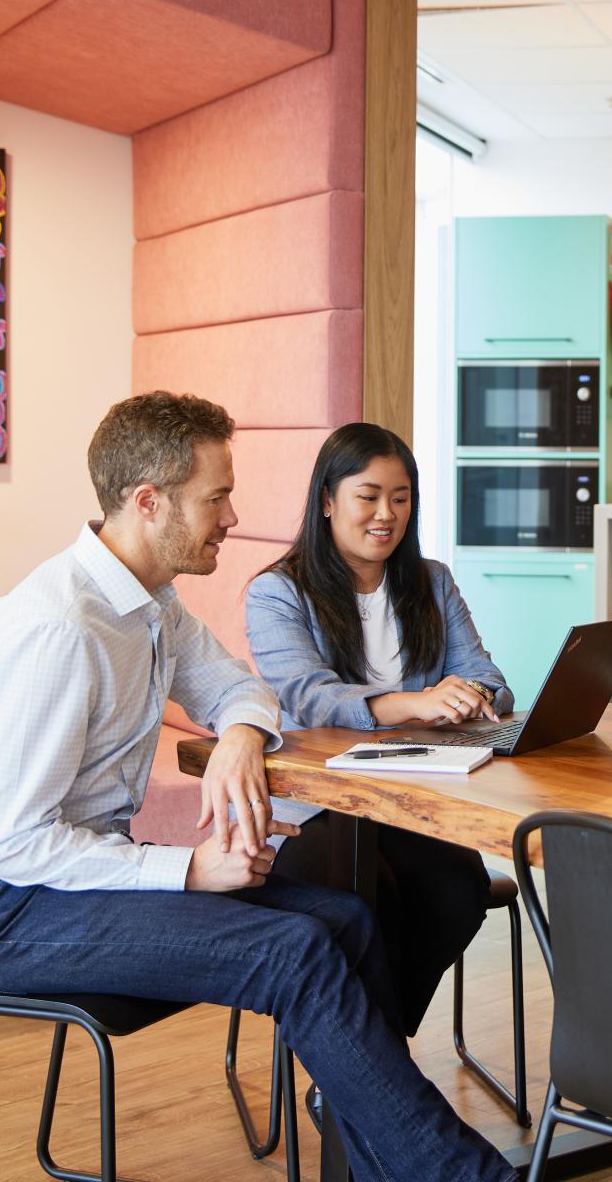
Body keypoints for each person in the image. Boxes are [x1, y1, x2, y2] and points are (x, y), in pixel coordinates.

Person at [0, 391, 515, 1182]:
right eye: (216, 496)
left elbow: (242, 687)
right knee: (294, 950)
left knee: (348, 918)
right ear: (148, 501)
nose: (233, 515)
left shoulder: (150, 600)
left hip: (62, 881)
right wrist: (187, 868)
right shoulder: (60, 626)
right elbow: (15, 842)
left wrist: (237, 736)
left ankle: (376, 1159)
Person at [246, 422, 508, 1035]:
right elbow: (308, 698)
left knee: (457, 892)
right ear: (328, 500)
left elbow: (488, 676)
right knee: (358, 904)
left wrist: (473, 697)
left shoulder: (430, 580)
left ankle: (373, 1060)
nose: (386, 514)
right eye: (368, 496)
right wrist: (411, 703)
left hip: (408, 804)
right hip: (315, 809)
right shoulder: (278, 591)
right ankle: (373, 1078)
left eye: (401, 497)